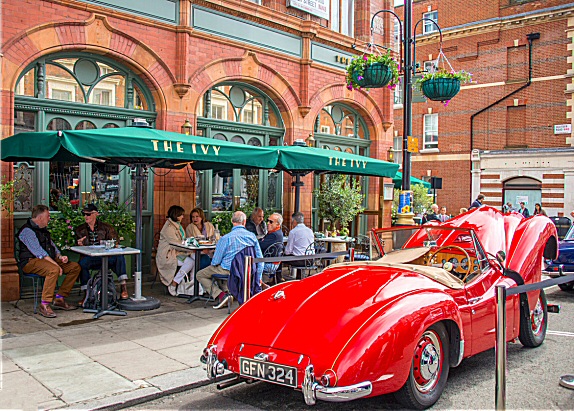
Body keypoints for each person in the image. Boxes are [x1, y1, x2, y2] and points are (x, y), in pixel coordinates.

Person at [17, 204, 81, 318]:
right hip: (30, 261)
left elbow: (52, 246)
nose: (49, 219)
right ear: (40, 217)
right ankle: (45, 304)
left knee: (74, 267)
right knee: (54, 269)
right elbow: (39, 252)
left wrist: (60, 256)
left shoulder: (43, 230)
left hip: (48, 260)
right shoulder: (27, 231)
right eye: (48, 216)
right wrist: (56, 264)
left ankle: (60, 298)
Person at [196, 211, 263, 309]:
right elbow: (260, 259)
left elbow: (215, 261)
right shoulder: (252, 236)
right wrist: (258, 277)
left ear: (232, 221)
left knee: (200, 274)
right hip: (247, 270)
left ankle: (221, 295)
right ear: (244, 222)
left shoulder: (225, 238)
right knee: (219, 269)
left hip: (229, 270)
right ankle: (227, 292)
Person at [75, 204, 129, 301]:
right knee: (82, 264)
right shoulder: (80, 229)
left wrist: (111, 243)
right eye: (84, 214)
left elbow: (115, 241)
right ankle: (86, 293)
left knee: (119, 256)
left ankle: (123, 286)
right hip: (91, 257)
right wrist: (79, 244)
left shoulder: (106, 227)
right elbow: (78, 245)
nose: (86, 217)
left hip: (106, 256)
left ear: (96, 214)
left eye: (88, 214)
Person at [156, 205, 198, 296]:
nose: (183, 217)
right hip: (168, 255)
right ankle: (174, 283)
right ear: (176, 215)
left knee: (195, 258)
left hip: (177, 252)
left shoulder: (177, 225)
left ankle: (192, 284)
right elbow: (176, 244)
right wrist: (189, 246)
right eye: (181, 215)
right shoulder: (169, 228)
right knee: (190, 262)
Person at [259, 213, 284, 284]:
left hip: (270, 264)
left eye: (271, 222)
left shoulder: (274, 235)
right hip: (273, 263)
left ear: (278, 224)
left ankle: (257, 287)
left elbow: (260, 245)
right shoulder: (276, 232)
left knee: (249, 266)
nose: (268, 223)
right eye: (268, 221)